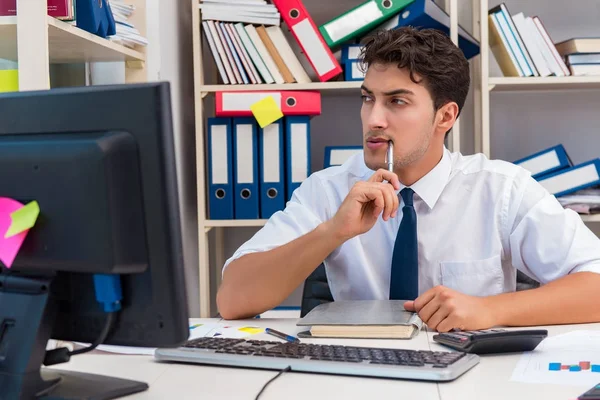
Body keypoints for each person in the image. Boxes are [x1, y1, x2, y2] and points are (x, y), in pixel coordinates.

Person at [216, 26, 600, 332]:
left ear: (445, 117)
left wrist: (487, 310)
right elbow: (232, 299)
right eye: (368, 98)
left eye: (396, 101)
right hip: (356, 376)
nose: (373, 119)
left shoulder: (502, 189)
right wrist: (333, 231)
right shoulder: (328, 189)